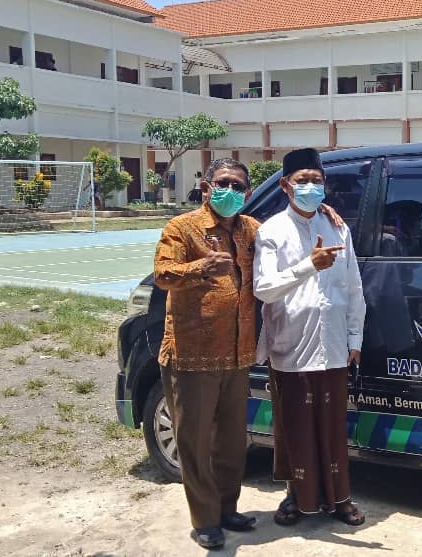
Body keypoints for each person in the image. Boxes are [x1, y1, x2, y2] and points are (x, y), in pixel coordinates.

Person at [253, 148, 367, 528]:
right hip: (291, 346)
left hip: (333, 345)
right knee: (295, 428)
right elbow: (264, 288)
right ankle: (295, 497)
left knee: (332, 428)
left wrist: (355, 338)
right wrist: (308, 266)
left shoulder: (338, 228)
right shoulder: (271, 231)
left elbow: (353, 287)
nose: (310, 187)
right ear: (285, 185)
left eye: (316, 180)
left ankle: (340, 499)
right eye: (302, 180)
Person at [152, 158, 260, 550]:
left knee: (231, 442)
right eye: (223, 183)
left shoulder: (251, 229)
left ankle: (227, 508)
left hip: (238, 353)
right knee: (195, 443)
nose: (231, 191)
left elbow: (287, 237)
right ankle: (205, 520)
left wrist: (326, 212)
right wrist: (201, 268)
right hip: (192, 355)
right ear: (207, 187)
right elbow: (162, 274)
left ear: (248, 192)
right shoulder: (182, 228)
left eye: (238, 186)